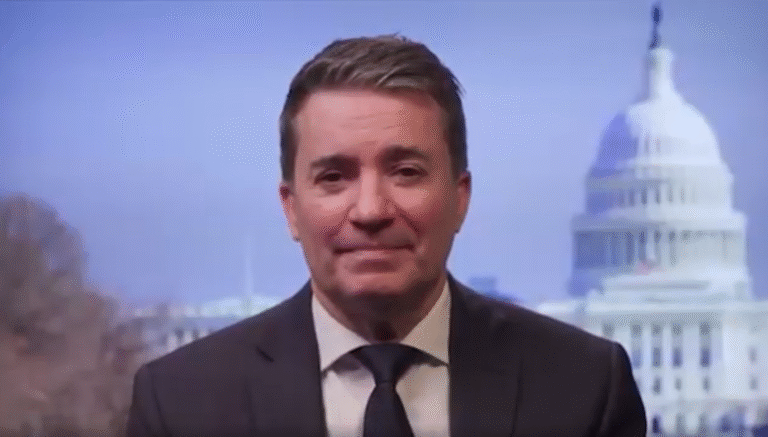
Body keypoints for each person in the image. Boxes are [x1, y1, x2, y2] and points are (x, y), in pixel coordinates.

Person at [126, 35, 646, 437]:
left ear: (460, 197)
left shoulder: (584, 388)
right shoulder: (180, 404)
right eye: (334, 177)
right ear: (291, 208)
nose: (371, 210)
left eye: (406, 172)